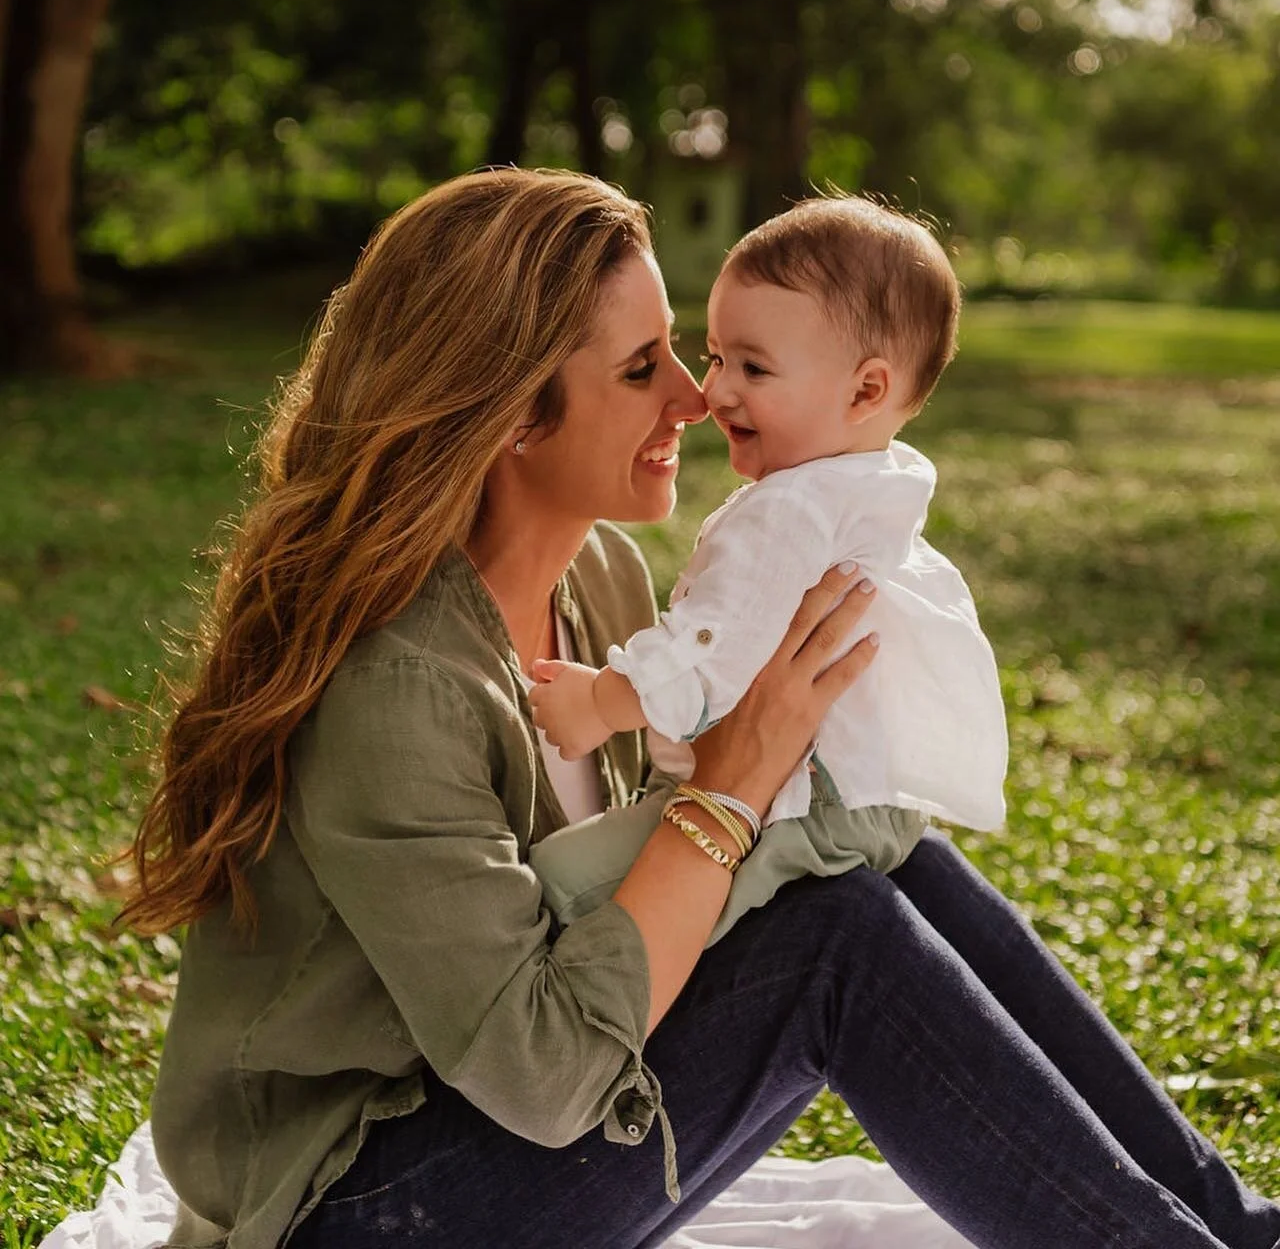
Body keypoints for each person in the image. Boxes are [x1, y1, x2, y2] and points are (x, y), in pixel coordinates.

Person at [121, 169, 1280, 1249]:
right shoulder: (397, 689)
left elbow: (629, 917)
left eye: (681, 348)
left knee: (883, 852)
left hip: (506, 1109)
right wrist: (732, 781)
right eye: (642, 369)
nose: (694, 393)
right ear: (514, 417)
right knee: (835, 936)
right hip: (356, 1204)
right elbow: (540, 1070)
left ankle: (1229, 1222)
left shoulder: (603, 585)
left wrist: (778, 777)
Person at [527, 199, 1006, 944]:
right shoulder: (878, 483)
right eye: (718, 355)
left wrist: (601, 702)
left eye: (753, 366)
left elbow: (714, 648)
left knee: (562, 884)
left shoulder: (789, 512)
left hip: (801, 797)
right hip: (872, 797)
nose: (713, 391)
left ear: (865, 390)